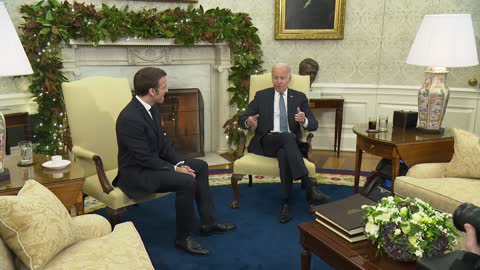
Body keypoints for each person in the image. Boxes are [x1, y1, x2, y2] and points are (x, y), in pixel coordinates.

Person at [113, 67, 235, 256]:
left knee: (201, 166)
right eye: (164, 87)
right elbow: (143, 158)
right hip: (137, 174)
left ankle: (207, 222)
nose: (167, 90)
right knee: (186, 181)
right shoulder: (129, 118)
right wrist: (174, 170)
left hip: (153, 165)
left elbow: (163, 145)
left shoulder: (151, 108)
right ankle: (183, 237)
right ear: (152, 91)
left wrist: (178, 164)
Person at [238, 63, 329, 224]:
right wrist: (248, 121)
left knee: (285, 152)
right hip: (266, 141)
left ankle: (286, 203)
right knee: (287, 138)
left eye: (282, 78)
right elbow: (242, 118)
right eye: (275, 78)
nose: (279, 81)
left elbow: (314, 124)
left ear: (289, 78)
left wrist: (304, 120)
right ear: (272, 77)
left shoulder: (299, 97)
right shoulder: (261, 96)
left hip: (288, 145)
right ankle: (308, 185)